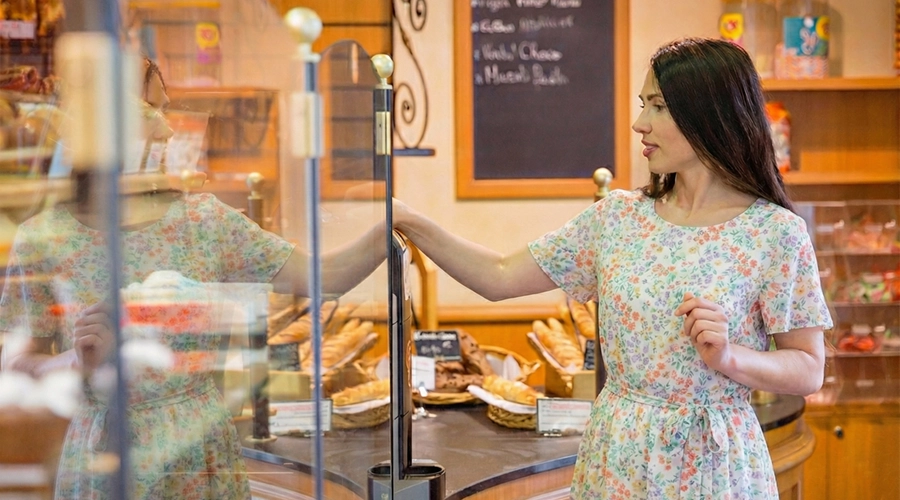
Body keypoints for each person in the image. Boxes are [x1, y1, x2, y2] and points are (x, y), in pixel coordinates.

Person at [392, 37, 832, 499]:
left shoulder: (775, 232)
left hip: (716, 466)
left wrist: (729, 358)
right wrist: (411, 222)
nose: (640, 124)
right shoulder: (618, 217)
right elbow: (499, 276)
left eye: (659, 107)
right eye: (645, 105)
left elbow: (807, 369)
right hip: (617, 456)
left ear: (710, 114)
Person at [0, 56, 385, 500]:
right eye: (149, 110)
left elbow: (324, 277)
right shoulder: (45, 237)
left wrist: (398, 223)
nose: (167, 129)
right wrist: (71, 362)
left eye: (166, 110)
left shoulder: (203, 219)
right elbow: (12, 363)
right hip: (105, 454)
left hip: (199, 451)